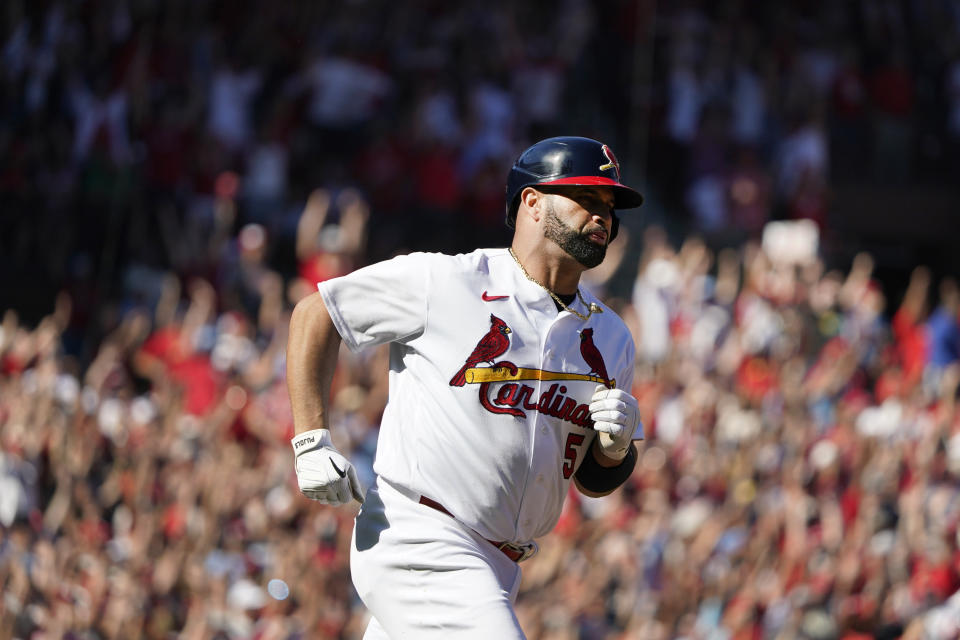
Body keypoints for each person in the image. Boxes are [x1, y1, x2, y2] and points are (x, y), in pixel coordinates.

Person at [286, 136, 645, 638]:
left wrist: (616, 447)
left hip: (500, 567)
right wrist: (310, 438)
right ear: (532, 203)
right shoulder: (446, 280)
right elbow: (316, 313)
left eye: (609, 205)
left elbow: (595, 479)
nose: (602, 215)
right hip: (421, 536)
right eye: (586, 199)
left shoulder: (612, 337)